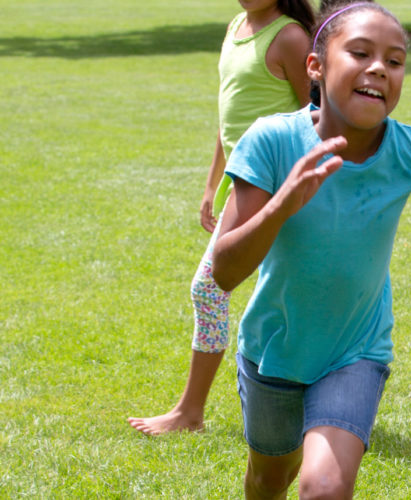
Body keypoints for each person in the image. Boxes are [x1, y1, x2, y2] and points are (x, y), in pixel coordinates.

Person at [209, 2, 411, 498]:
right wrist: (281, 205)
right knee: (269, 477)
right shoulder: (272, 142)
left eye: (394, 61)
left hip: (356, 351)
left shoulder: (409, 148)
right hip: (274, 350)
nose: (378, 69)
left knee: (324, 487)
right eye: (361, 53)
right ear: (316, 66)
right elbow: (223, 270)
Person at [127, 0, 315, 436]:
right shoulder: (236, 26)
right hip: (242, 178)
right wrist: (213, 183)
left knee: (209, 288)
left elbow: (317, 116)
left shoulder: (288, 37)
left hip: (274, 180)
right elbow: (228, 116)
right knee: (288, 294)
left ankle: (190, 413)